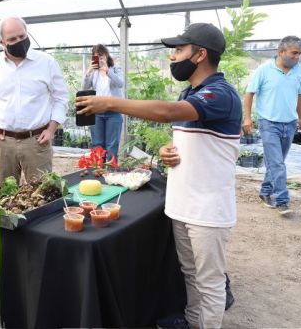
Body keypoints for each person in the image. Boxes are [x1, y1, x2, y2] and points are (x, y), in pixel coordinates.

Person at [76, 23, 241, 329]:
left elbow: (167, 112)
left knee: (209, 281)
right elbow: (194, 136)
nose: (173, 57)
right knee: (190, 274)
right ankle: (194, 322)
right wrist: (169, 148)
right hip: (183, 203)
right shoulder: (190, 91)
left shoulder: (221, 94)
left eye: (179, 50)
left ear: (200, 54)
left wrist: (109, 102)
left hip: (207, 209)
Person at [0, 17, 69, 185]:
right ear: (2, 42)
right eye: (12, 39)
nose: (19, 41)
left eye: (22, 36)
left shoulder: (46, 62)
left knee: (42, 194)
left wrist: (51, 129)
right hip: (3, 142)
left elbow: (61, 98)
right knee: (3, 194)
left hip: (37, 140)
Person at [243, 36, 301, 216]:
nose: (297, 57)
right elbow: (249, 94)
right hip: (269, 123)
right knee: (277, 163)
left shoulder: (300, 71)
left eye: (299, 54)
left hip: (290, 123)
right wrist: (247, 118)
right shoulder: (263, 70)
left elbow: (299, 95)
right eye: (294, 53)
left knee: (277, 163)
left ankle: (265, 192)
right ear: (281, 52)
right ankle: (282, 201)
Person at [81, 44, 124, 162]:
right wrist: (88, 72)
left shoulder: (115, 69)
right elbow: (84, 88)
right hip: (97, 112)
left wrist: (108, 71)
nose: (99, 59)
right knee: (97, 145)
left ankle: (111, 173)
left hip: (113, 112)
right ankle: (98, 171)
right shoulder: (94, 72)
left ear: (106, 55)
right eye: (95, 57)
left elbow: (121, 84)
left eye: (101, 56)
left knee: (112, 146)